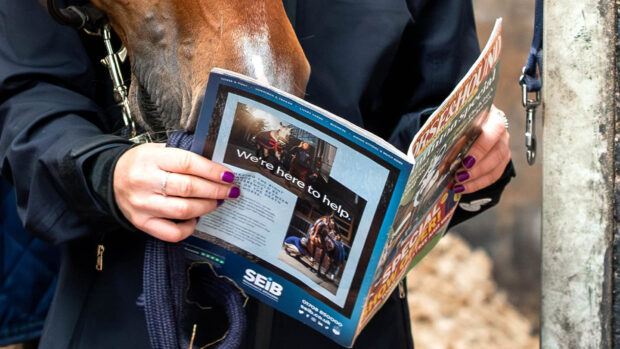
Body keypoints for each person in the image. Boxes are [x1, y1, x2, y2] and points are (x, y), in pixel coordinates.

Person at [0, 1, 513, 349]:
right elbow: (32, 94)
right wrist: (108, 173)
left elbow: (437, 96)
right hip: (131, 306)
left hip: (340, 330)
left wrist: (468, 160)